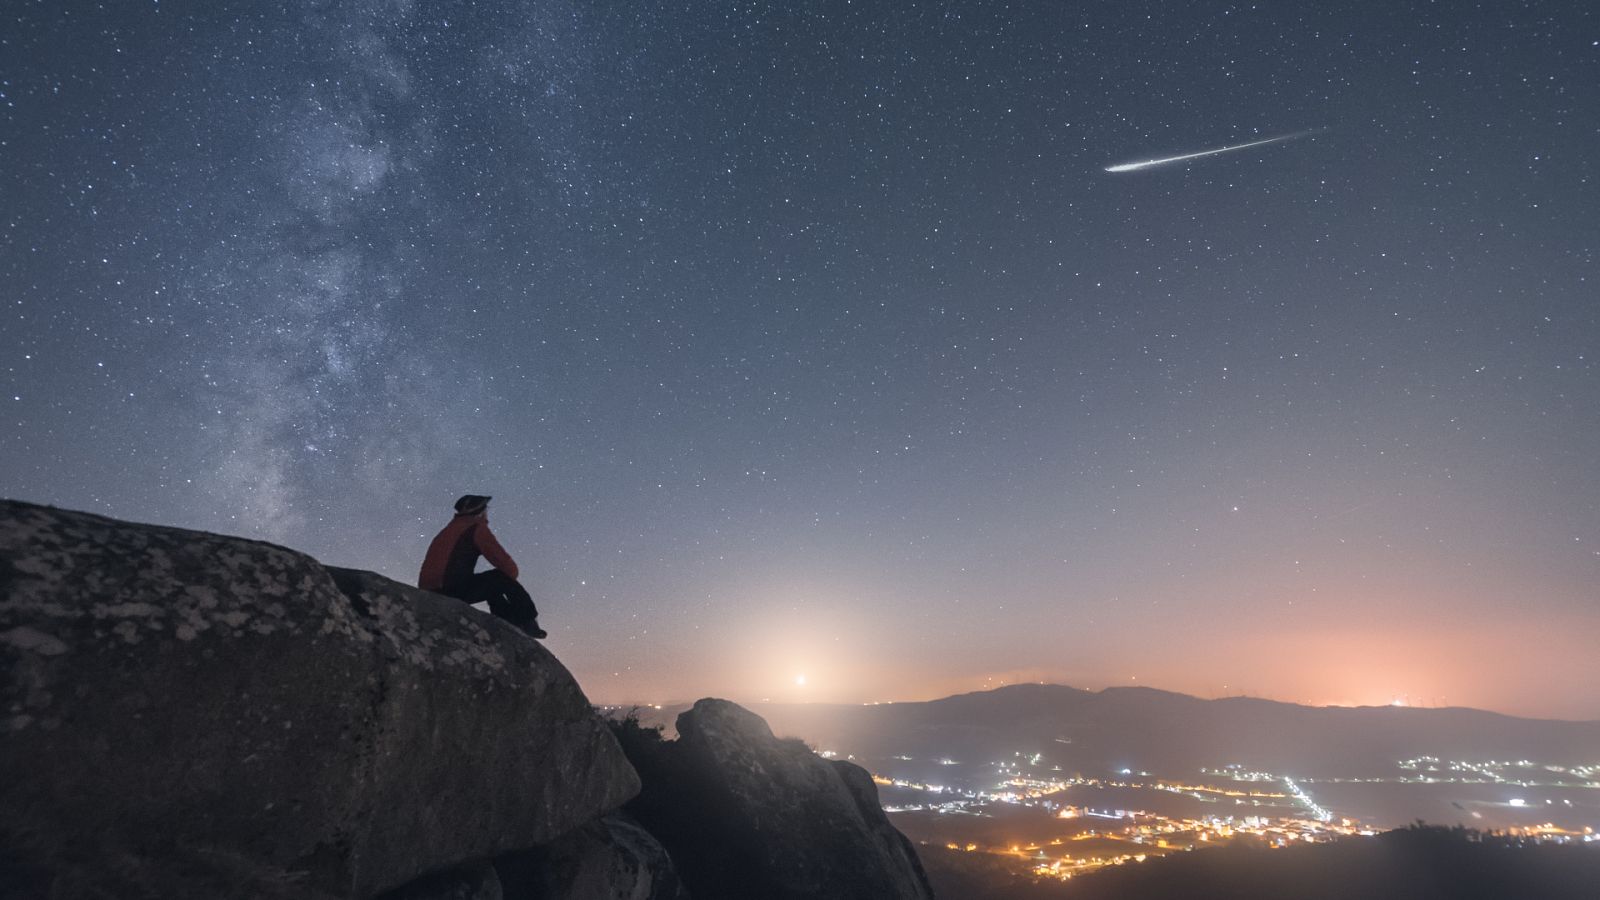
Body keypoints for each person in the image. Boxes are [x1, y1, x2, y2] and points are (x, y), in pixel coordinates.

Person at [418, 494, 546, 639]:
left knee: (491, 584)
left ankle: (507, 622)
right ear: (480, 511)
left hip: (431, 589)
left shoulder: (449, 530)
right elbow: (505, 564)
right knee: (498, 578)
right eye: (486, 508)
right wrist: (510, 579)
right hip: (449, 589)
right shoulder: (475, 527)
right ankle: (527, 621)